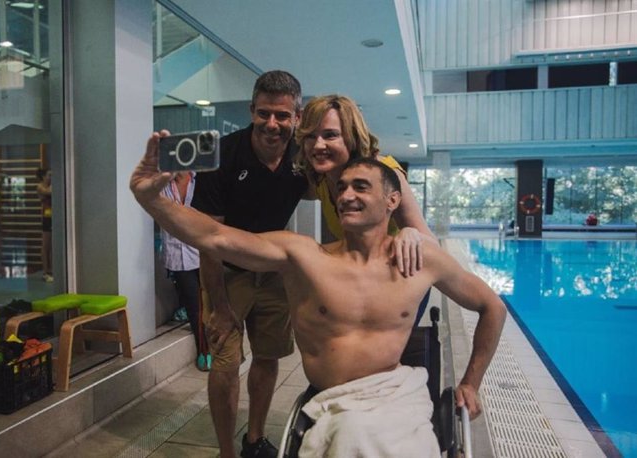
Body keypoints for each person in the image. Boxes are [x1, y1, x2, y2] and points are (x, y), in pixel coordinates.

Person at [131, 139, 507, 457]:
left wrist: (471, 383)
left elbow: (493, 307)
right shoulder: (305, 257)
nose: (346, 195)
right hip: (336, 406)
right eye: (341, 188)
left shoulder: (419, 260)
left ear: (393, 200)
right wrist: (153, 201)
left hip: (398, 400)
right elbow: (215, 236)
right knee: (352, 435)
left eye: (361, 187)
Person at [190, 70, 308, 458]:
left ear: (297, 117)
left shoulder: (301, 158)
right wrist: (219, 305)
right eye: (263, 113)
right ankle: (226, 452)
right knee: (224, 361)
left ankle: (254, 439)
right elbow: (207, 241)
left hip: (274, 272)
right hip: (227, 273)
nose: (272, 124)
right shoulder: (221, 156)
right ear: (251, 110)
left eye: (282, 115)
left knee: (268, 355)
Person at [295, 94, 437, 323]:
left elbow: (432, 245)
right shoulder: (320, 179)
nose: (318, 145)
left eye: (330, 135)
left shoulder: (384, 173)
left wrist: (411, 233)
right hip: (362, 279)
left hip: (401, 278)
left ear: (350, 137)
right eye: (310, 136)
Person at [159, 171, 210, 371]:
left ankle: (219, 347)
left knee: (210, 301)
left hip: (203, 250)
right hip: (177, 253)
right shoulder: (163, 184)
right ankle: (203, 351)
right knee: (194, 305)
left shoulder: (202, 180)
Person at [36, 168, 53, 282]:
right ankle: (45, 272)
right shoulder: (40, 186)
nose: (50, 178)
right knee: (45, 245)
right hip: (47, 217)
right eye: (49, 175)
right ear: (43, 177)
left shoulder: (52, 185)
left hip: (54, 216)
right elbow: (48, 192)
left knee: (52, 246)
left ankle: (51, 270)